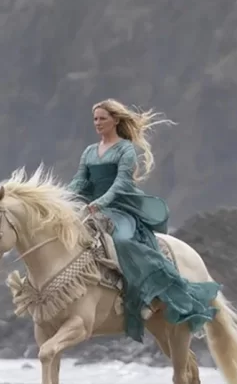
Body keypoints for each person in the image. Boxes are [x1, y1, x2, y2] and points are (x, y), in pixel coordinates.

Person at [67, 98, 220, 343]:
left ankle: (150, 296)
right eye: (95, 119)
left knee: (124, 242)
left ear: (115, 120)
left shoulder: (125, 149)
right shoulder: (89, 151)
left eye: (102, 118)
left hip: (121, 208)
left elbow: (122, 183)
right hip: (91, 209)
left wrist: (101, 203)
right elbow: (80, 181)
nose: (97, 123)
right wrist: (63, 198)